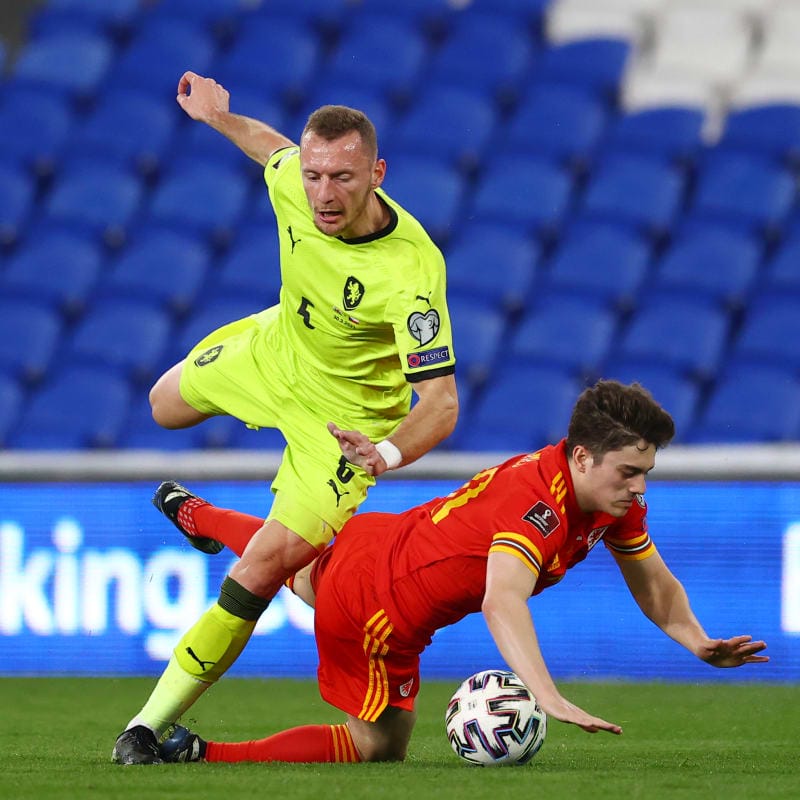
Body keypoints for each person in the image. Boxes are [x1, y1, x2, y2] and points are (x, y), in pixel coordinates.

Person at [111, 71, 458, 764]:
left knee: (265, 568)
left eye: (343, 177)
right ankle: (208, 520)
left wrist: (383, 455)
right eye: (315, 174)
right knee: (162, 406)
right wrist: (217, 117)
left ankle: (144, 729)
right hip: (277, 350)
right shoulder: (292, 183)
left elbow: (441, 403)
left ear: (377, 173)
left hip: (340, 426)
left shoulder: (411, 271)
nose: (324, 194)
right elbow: (266, 143)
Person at [142, 381, 768, 765]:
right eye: (629, 472)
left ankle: (199, 514)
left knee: (293, 570)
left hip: (382, 540)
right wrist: (545, 695)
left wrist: (696, 640)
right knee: (379, 748)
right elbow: (502, 599)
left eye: (645, 474)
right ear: (581, 456)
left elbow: (652, 580)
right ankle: (201, 753)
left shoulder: (602, 499)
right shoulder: (540, 508)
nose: (637, 487)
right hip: (379, 609)